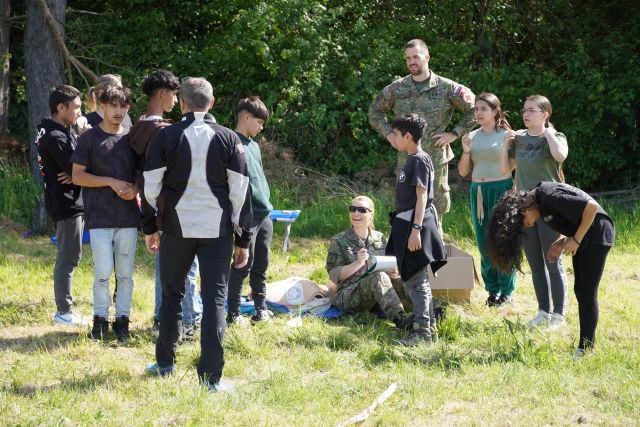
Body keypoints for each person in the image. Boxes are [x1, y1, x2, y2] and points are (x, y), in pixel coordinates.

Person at [143, 77, 252, 392]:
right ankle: (211, 379)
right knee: (214, 299)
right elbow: (240, 192)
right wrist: (243, 240)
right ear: (212, 103)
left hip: (176, 229)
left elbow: (149, 188)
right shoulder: (229, 138)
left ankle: (165, 363)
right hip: (217, 232)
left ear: (183, 104)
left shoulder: (166, 136)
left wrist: (149, 228)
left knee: (171, 295)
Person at [485, 183, 615, 357]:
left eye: (523, 224)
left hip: (598, 232)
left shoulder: (548, 197)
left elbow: (591, 207)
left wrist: (576, 239)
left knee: (586, 292)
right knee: (580, 291)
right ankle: (585, 346)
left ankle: (585, 349)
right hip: (586, 233)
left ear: (524, 211)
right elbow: (569, 216)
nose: (527, 227)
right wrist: (562, 242)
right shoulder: (539, 202)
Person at [369, 38, 475, 236]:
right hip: (406, 160)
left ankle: (434, 246)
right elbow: (374, 111)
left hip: (435, 158)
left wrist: (454, 133)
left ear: (427, 57)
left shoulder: (447, 88)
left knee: (435, 209)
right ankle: (407, 247)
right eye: (408, 58)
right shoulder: (396, 88)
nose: (411, 62)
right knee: (406, 206)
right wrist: (389, 134)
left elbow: (474, 109)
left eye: (416, 57)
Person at [129, 69, 202, 338]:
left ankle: (162, 318)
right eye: (173, 94)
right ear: (162, 94)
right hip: (173, 207)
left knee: (165, 267)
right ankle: (190, 319)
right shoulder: (164, 132)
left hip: (153, 208)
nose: (176, 100)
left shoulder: (138, 127)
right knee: (186, 267)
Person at [71, 86, 140, 341]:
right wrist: (110, 181)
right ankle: (99, 321)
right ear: (101, 107)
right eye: (113, 106)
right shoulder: (89, 138)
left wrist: (135, 189)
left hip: (127, 218)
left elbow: (140, 175)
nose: (118, 111)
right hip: (99, 217)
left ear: (128, 108)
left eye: (123, 106)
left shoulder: (132, 139)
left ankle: (123, 321)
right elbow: (77, 176)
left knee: (125, 275)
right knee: (102, 273)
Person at [500, 95, 569, 330]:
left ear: (545, 114)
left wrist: (547, 132)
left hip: (550, 207)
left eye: (532, 110)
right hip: (525, 208)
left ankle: (559, 316)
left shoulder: (556, 137)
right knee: (536, 264)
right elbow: (505, 170)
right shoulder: (519, 138)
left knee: (553, 260)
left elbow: (560, 156)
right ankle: (543, 312)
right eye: (524, 110)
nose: (526, 114)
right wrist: (505, 145)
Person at [386, 114, 447, 346]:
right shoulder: (412, 159)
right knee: (415, 279)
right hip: (406, 224)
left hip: (415, 225)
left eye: (395, 134)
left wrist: (415, 230)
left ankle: (422, 333)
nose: (392, 138)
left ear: (408, 136)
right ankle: (428, 327)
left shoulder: (419, 160)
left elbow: (422, 198)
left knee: (415, 280)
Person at [458, 93, 516, 307]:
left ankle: (506, 293)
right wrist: (466, 151)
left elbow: (512, 167)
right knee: (484, 242)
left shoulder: (507, 135)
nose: (479, 113)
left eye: (483, 108)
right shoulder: (471, 136)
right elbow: (463, 171)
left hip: (501, 189)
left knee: (503, 240)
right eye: (476, 109)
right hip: (478, 191)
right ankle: (492, 291)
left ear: (495, 111)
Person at [36, 85, 86, 326]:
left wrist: (75, 172)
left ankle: (65, 310)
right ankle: (64, 312)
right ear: (60, 108)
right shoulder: (55, 136)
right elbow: (77, 168)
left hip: (68, 199)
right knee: (68, 257)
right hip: (66, 202)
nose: (80, 112)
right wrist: (83, 138)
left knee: (70, 256)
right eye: (76, 107)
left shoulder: (59, 130)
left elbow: (74, 169)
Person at [326, 195, 413, 331]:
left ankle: (429, 313)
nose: (356, 213)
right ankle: (401, 320)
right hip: (349, 296)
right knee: (378, 276)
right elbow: (333, 275)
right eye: (353, 209)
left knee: (405, 280)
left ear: (371, 215)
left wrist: (393, 271)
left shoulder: (379, 238)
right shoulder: (339, 240)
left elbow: (388, 263)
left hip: (377, 295)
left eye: (362, 210)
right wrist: (358, 263)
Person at [226, 96, 274, 325]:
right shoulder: (230, 142)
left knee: (261, 264)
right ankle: (233, 312)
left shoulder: (254, 145)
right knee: (242, 263)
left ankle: (260, 308)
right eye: (259, 122)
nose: (261, 127)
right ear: (246, 117)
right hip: (247, 216)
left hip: (265, 214)